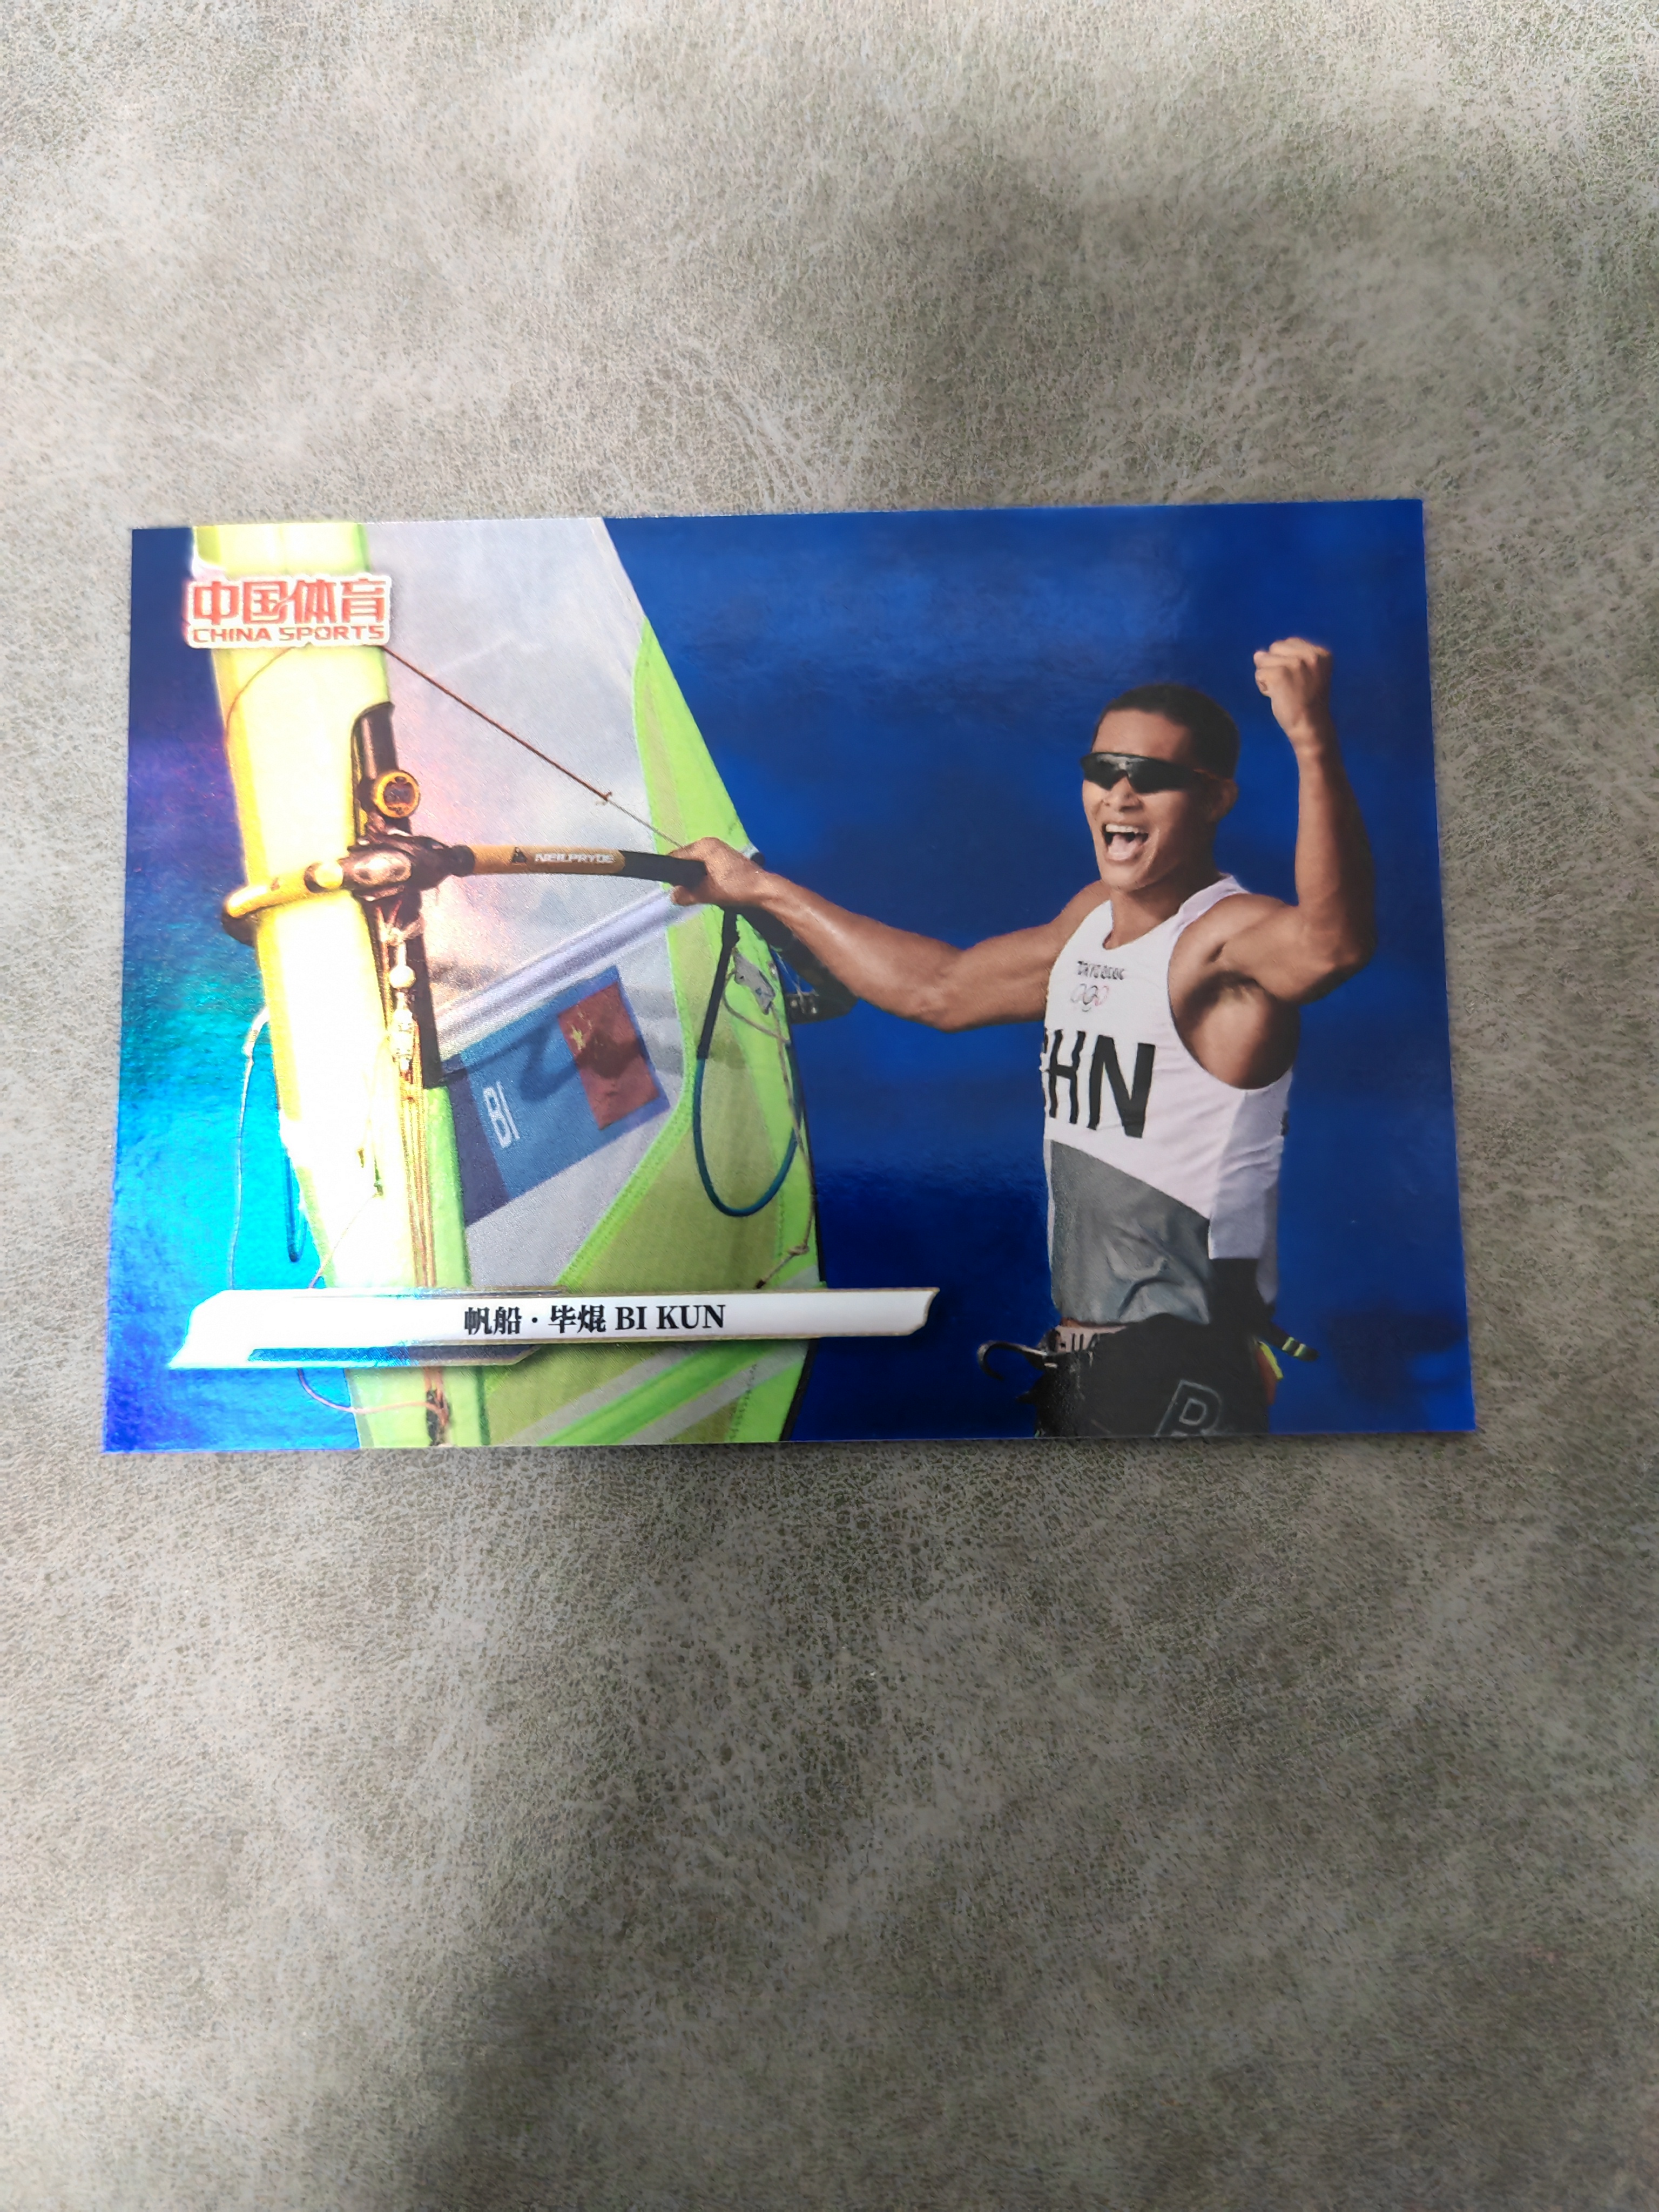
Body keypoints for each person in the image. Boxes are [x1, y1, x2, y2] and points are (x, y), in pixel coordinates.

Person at [673, 638, 1375, 1438]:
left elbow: (1332, 946)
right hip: (1091, 1365)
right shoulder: (1090, 923)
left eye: (1152, 777)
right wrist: (761, 889)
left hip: (1183, 1367)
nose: (1121, 794)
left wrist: (1311, 738)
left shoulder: (1224, 939)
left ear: (1215, 799)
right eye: (1104, 769)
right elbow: (940, 989)